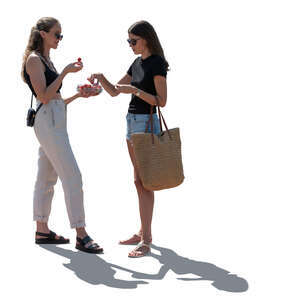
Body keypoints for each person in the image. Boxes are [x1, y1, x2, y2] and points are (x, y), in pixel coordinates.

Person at [22, 17, 103, 254]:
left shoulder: (47, 60)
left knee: (47, 177)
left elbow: (56, 100)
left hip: (55, 119)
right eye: (57, 34)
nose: (60, 39)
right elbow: (44, 97)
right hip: (48, 122)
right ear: (43, 34)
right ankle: (81, 234)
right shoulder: (34, 60)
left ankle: (42, 229)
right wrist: (66, 72)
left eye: (61, 35)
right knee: (72, 175)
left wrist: (80, 95)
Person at [89, 20, 168, 257]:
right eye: (128, 41)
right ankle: (143, 230)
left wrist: (135, 91)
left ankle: (146, 239)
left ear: (146, 39)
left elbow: (161, 101)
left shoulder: (157, 63)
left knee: (144, 182)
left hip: (146, 122)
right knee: (137, 180)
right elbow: (114, 90)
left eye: (133, 41)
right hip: (132, 122)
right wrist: (101, 79)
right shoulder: (136, 63)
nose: (130, 45)